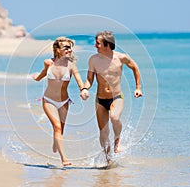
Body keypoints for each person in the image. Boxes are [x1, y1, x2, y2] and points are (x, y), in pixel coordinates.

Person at [80, 31, 142, 161]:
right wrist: (85, 88)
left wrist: (138, 87)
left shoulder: (121, 58)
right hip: (100, 100)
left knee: (114, 117)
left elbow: (135, 68)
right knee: (103, 133)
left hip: (116, 97)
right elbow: (89, 79)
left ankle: (117, 142)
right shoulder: (93, 60)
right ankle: (108, 159)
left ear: (107, 44)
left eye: (98, 43)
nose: (95, 46)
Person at [32, 37, 84, 166]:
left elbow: (79, 81)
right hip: (48, 100)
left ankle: (56, 143)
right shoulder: (48, 62)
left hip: (64, 101)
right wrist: (37, 78)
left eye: (70, 47)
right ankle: (64, 159)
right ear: (58, 50)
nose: (69, 49)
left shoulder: (71, 66)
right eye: (66, 47)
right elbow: (44, 73)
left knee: (61, 129)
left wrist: (83, 90)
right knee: (57, 127)